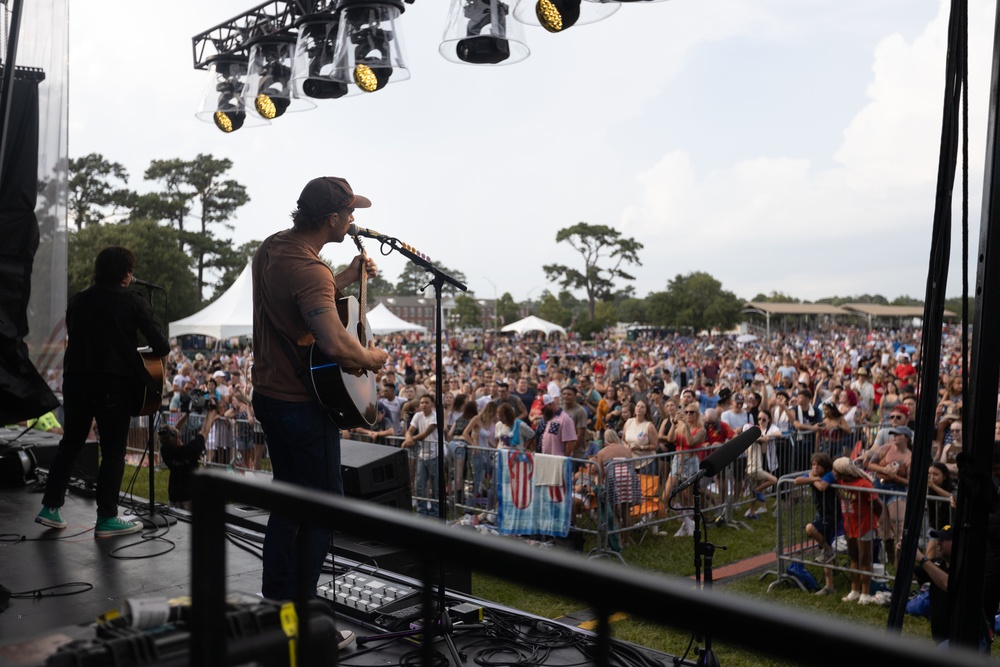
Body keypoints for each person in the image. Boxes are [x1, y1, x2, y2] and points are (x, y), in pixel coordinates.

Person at [251, 176, 388, 602]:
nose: (352, 221)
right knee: (324, 507)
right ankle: (303, 603)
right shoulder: (310, 269)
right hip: (301, 404)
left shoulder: (274, 246)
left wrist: (345, 276)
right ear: (332, 219)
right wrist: (372, 359)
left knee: (288, 501)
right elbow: (335, 344)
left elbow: (298, 300)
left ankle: (276, 598)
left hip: (269, 394)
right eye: (349, 214)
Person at [36, 246, 170, 538]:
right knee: (112, 452)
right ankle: (107, 517)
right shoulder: (133, 302)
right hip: (113, 386)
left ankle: (50, 508)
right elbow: (161, 346)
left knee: (70, 445)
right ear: (126, 273)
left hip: (75, 381)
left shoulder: (78, 300)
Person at [833, 457, 882, 605]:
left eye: (835, 469)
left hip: (865, 525)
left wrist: (878, 522)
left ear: (842, 471)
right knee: (854, 558)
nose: (833, 472)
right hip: (850, 525)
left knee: (865, 559)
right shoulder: (840, 483)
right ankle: (854, 590)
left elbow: (877, 505)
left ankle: (865, 592)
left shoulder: (864, 484)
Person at [867, 424, 912, 567]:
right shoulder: (885, 448)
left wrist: (896, 478)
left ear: (906, 438)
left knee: (898, 522)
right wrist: (885, 470)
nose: (894, 437)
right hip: (880, 486)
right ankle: (889, 555)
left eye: (898, 434)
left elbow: (910, 482)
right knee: (882, 523)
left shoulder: (910, 457)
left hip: (897, 489)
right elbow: (870, 464)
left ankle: (901, 557)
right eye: (893, 434)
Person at [794, 453, 838, 595]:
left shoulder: (829, 475)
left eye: (818, 465)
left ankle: (828, 551)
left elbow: (822, 487)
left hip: (832, 515)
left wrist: (811, 479)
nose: (815, 467)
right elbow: (797, 481)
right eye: (813, 464)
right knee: (825, 548)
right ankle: (829, 586)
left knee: (810, 529)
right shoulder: (814, 476)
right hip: (822, 514)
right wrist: (812, 478)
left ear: (825, 467)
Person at [159, 411, 218, 510]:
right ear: (177, 436)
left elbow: (172, 435)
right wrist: (210, 412)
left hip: (175, 495)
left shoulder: (166, 451)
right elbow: (204, 432)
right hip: (190, 496)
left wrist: (187, 413)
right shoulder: (191, 450)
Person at [404, 395, 439, 517]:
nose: (424, 404)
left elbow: (424, 434)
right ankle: (421, 511)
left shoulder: (435, 417)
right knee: (420, 485)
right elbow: (410, 430)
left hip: (435, 455)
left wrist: (408, 440)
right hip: (422, 454)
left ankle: (436, 512)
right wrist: (408, 437)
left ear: (432, 404)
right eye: (422, 402)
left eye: (427, 402)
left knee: (436, 487)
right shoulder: (417, 416)